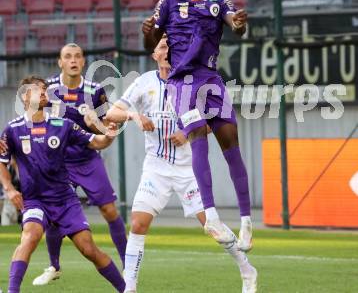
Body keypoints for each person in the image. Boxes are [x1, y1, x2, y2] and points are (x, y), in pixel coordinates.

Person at [106, 37, 257, 293]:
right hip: (156, 168)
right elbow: (111, 113)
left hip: (188, 171)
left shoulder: (193, 82)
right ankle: (129, 287)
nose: (168, 51)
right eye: (162, 47)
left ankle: (247, 270)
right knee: (138, 223)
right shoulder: (144, 83)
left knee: (212, 227)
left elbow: (215, 123)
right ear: (154, 55)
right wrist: (134, 115)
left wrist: (188, 133)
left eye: (172, 47)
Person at [142, 0, 253, 251]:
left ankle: (246, 223)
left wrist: (239, 25)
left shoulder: (219, 1)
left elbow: (235, 25)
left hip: (211, 81)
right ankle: (212, 217)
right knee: (198, 137)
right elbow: (151, 43)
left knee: (232, 148)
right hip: (182, 85)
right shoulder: (168, 0)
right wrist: (148, 32)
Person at [0, 76, 125, 293]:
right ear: (25, 96)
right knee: (30, 236)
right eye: (37, 89)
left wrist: (109, 134)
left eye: (44, 89)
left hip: (65, 200)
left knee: (89, 250)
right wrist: (9, 189)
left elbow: (97, 142)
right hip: (35, 201)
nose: (43, 92)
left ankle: (126, 289)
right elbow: (1, 162)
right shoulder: (12, 130)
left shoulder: (63, 125)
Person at [31, 43, 127, 286]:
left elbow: (108, 129)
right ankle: (54, 265)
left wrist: (95, 124)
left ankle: (129, 265)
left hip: (87, 157)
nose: (73, 60)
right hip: (59, 162)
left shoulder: (96, 91)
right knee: (54, 216)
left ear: (83, 62)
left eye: (77, 56)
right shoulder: (48, 90)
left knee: (109, 211)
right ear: (60, 62)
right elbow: (32, 119)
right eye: (67, 56)